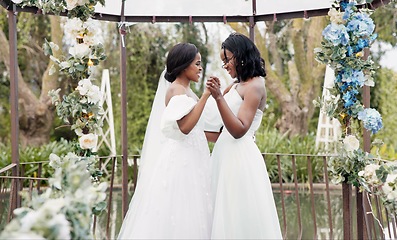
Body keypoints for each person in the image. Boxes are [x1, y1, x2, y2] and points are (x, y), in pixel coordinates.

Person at [117, 43, 212, 239]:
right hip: (182, 162)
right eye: (197, 63)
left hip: (195, 158)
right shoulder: (176, 90)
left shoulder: (187, 91)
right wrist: (206, 95)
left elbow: (197, 128)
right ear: (184, 65)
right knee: (181, 212)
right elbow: (185, 127)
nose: (200, 68)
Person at [206, 33, 283, 239]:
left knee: (238, 217)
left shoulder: (256, 86)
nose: (225, 66)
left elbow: (239, 129)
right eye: (223, 62)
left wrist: (219, 97)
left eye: (227, 60)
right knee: (223, 215)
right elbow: (222, 131)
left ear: (240, 56)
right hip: (223, 156)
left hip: (240, 159)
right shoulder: (236, 85)